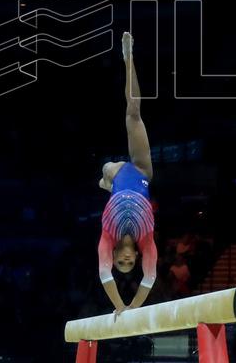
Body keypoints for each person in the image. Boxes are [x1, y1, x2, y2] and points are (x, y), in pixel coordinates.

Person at [97, 32, 158, 316]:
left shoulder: (107, 237)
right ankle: (129, 57)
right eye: (129, 263)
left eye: (120, 263)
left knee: (107, 168)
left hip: (120, 175)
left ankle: (107, 182)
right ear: (136, 256)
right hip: (141, 171)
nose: (124, 260)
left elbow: (104, 274)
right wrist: (131, 308)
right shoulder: (146, 240)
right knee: (133, 113)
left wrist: (119, 306)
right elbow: (150, 278)